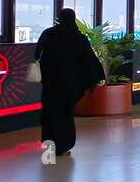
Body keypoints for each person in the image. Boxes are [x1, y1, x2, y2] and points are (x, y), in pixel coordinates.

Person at [35, 8, 105, 157]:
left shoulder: (48, 34)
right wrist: (99, 76)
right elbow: (89, 59)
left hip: (50, 81)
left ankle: (50, 145)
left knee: (50, 111)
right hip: (70, 83)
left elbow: (37, 54)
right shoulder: (78, 37)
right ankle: (64, 145)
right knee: (65, 113)